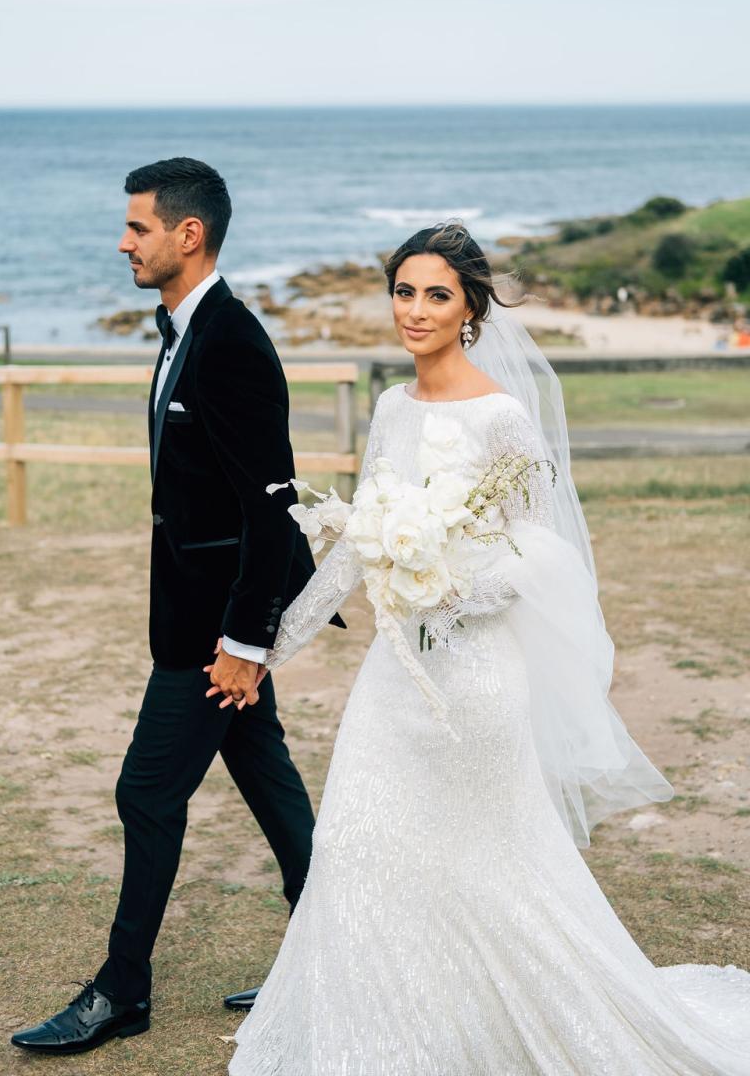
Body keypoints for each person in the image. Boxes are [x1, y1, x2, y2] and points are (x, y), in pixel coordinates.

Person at [228, 223, 750, 1074]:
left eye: (437, 293)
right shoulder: (392, 407)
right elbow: (361, 543)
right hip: (395, 678)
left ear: (471, 306)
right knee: (358, 843)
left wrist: (447, 587)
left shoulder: (505, 417)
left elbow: (541, 554)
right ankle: (388, 1034)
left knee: (487, 860)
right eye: (404, 291)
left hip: (477, 680)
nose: (417, 310)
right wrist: (266, 648)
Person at [11, 157, 343, 1056]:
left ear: (187, 235)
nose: (123, 241)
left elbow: (271, 507)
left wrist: (245, 641)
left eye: (138, 227)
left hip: (213, 632)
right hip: (199, 617)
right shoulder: (182, 330)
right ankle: (341, 955)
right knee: (270, 784)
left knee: (145, 792)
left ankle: (122, 990)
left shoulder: (232, 341)